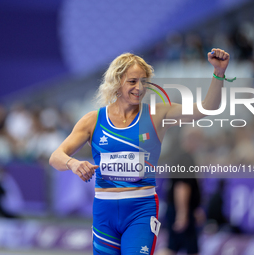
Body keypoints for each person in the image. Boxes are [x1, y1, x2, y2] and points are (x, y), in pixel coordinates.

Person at [49, 48, 230, 254]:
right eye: (133, 81)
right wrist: (73, 163)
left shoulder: (157, 114)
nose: (139, 88)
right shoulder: (93, 120)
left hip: (140, 211)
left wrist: (219, 73)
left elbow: (208, 107)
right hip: (104, 212)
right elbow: (56, 157)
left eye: (144, 81)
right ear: (117, 82)